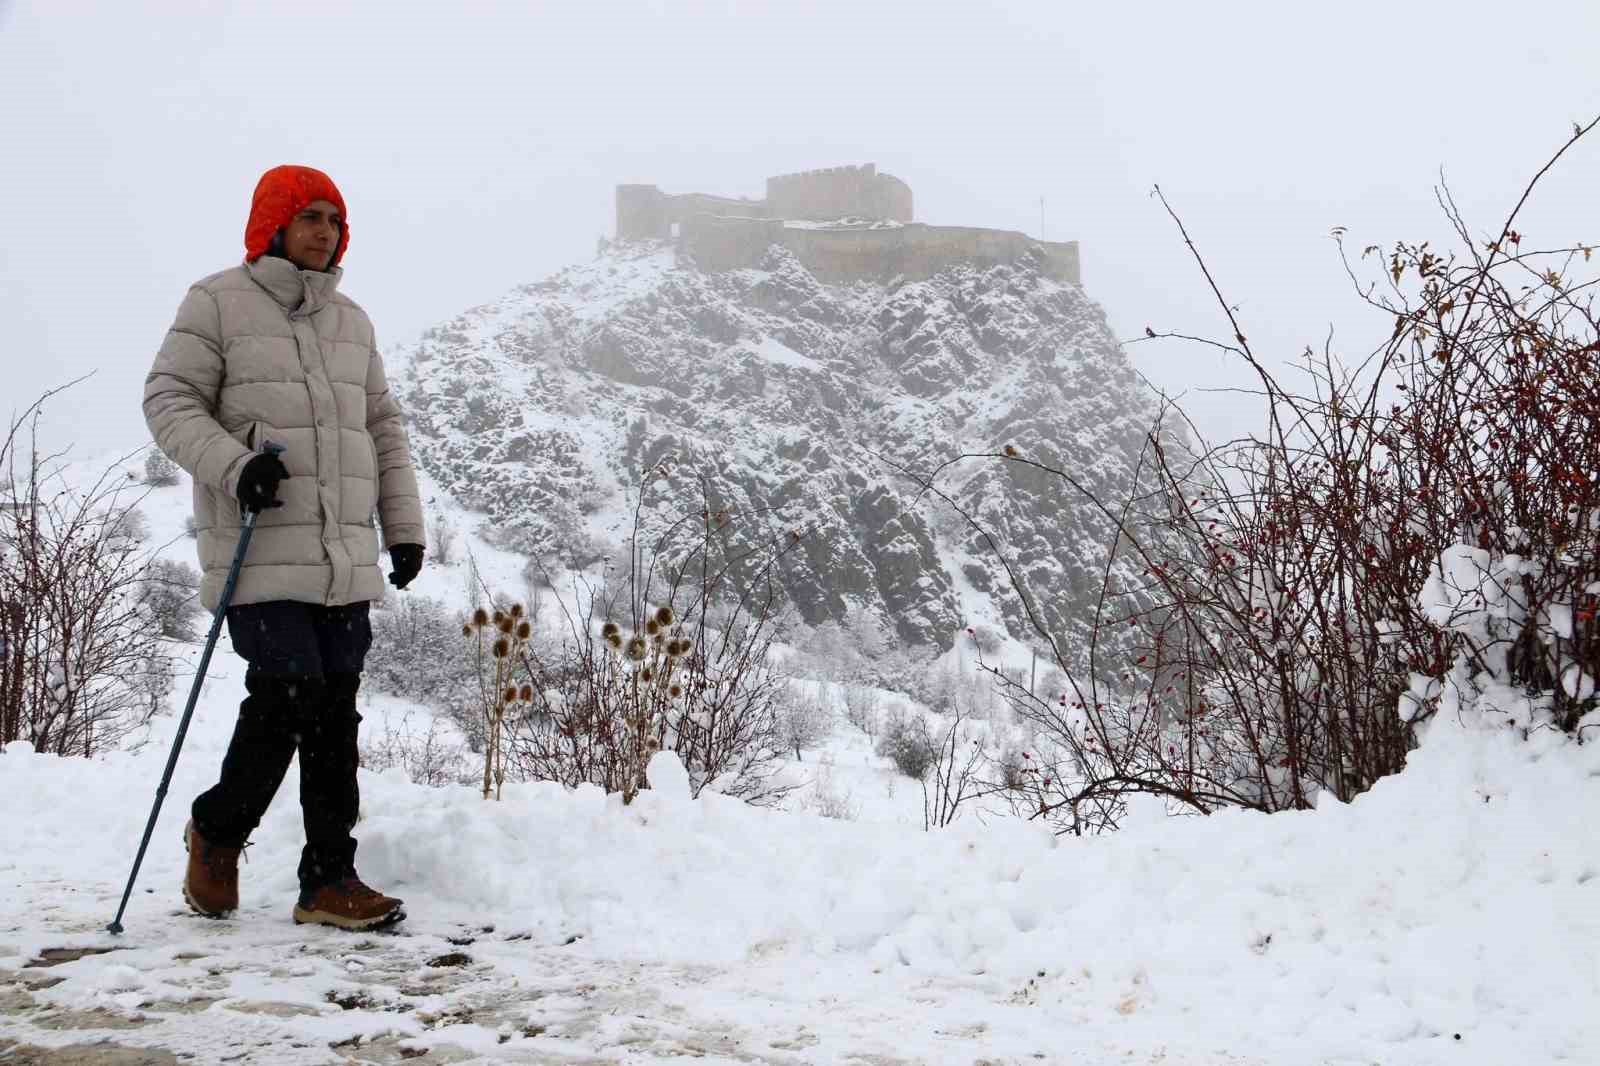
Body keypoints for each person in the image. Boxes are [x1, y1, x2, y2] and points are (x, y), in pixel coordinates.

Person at [143, 164, 426, 931]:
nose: (325, 231)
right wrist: (238, 468)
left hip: (342, 557)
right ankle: (219, 828)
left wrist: (402, 529)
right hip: (260, 551)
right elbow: (168, 401)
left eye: (336, 220)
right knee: (288, 694)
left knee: (335, 712)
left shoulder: (353, 322)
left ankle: (330, 879)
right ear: (272, 224)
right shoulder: (217, 302)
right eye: (309, 217)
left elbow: (382, 430)